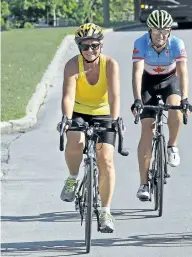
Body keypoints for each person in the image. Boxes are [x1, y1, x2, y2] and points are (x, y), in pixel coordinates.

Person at [58, 23, 121, 233]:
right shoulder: (72, 65)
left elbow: (114, 96)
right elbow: (68, 96)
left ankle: (105, 211)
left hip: (104, 113)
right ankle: (73, 177)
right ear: (79, 48)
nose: (90, 50)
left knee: (106, 159)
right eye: (85, 47)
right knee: (75, 141)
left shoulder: (110, 65)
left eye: (94, 46)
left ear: (101, 46)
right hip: (79, 111)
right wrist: (67, 118)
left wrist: (115, 118)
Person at [131, 10, 192, 201]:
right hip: (147, 82)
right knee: (147, 130)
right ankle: (143, 184)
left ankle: (172, 145)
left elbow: (182, 72)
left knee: (174, 107)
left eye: (165, 31)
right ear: (149, 30)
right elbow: (137, 73)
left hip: (169, 80)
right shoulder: (140, 43)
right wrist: (137, 100)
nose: (161, 36)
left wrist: (185, 99)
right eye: (156, 32)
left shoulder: (176, 43)